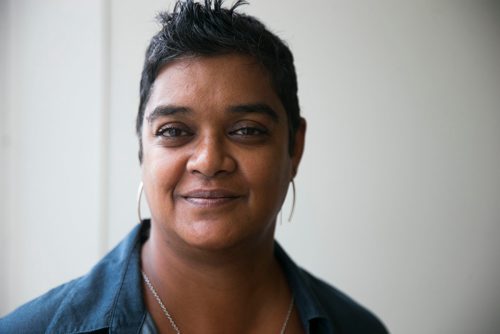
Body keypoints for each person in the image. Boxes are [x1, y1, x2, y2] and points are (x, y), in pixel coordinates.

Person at [0, 0, 388, 333]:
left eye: (247, 130)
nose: (208, 160)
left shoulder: (358, 327)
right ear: (141, 149)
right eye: (174, 131)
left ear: (294, 148)